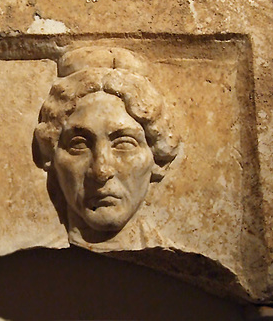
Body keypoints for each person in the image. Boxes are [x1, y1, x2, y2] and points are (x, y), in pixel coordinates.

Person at [34, 47, 179, 244]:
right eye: (79, 145)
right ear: (51, 157)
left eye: (124, 144)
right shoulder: (25, 268)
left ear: (158, 159)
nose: (101, 171)